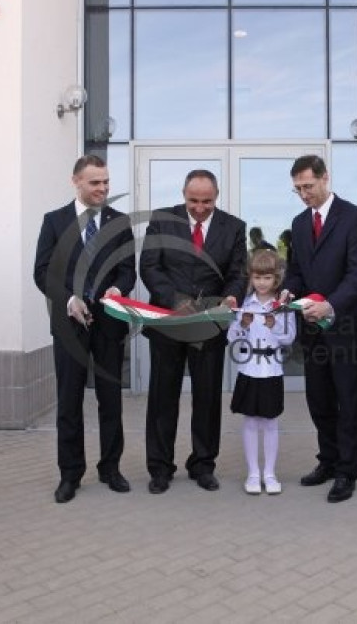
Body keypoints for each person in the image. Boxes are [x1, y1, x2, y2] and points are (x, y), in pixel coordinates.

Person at [34, 155, 136, 504]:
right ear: (75, 181)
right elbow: (42, 271)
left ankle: (111, 468)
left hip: (109, 324)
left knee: (111, 400)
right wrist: (68, 300)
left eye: (106, 182)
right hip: (69, 325)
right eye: (95, 182)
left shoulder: (119, 222)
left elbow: (128, 269)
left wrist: (118, 289)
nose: (103, 188)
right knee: (69, 401)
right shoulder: (54, 222)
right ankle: (70, 474)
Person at [140, 169, 247, 494]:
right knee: (162, 398)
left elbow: (238, 272)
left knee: (207, 398)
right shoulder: (162, 220)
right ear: (183, 194)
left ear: (217, 197)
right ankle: (160, 468)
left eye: (207, 202)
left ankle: (203, 465)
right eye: (193, 201)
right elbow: (149, 266)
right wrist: (177, 301)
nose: (200, 208)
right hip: (168, 325)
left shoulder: (234, 227)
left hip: (209, 327)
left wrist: (232, 296)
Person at [282, 154, 357, 504]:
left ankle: (347, 470)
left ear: (325, 178)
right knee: (319, 399)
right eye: (298, 189)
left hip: (345, 325)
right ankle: (329, 460)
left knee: (349, 401)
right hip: (312, 329)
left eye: (308, 186)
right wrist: (290, 291)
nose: (304, 194)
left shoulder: (354, 218)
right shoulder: (299, 224)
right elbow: (296, 271)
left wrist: (330, 305)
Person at [227, 250, 296, 495]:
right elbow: (231, 337)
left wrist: (274, 324)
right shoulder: (245, 303)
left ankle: (270, 473)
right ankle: (253, 474)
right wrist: (242, 324)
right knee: (250, 421)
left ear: (276, 278)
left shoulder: (283, 306)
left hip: (272, 370)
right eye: (257, 277)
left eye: (267, 278)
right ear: (251, 277)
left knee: (270, 422)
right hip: (249, 369)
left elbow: (289, 337)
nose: (262, 283)